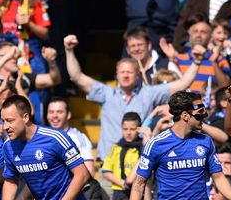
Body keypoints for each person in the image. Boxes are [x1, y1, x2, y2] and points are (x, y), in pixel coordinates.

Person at [64, 34, 200, 161]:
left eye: (129, 72)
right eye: (122, 72)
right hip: (108, 164)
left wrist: (197, 61)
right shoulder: (106, 93)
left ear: (138, 75)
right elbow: (76, 77)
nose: (125, 75)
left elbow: (183, 83)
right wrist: (69, 51)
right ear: (116, 74)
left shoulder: (149, 93)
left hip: (138, 163)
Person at [102, 112, 146, 200]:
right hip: (119, 190)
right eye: (125, 129)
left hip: (139, 190)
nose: (128, 132)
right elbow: (106, 171)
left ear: (139, 129)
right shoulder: (115, 147)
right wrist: (123, 183)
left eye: (132, 129)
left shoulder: (144, 147)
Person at [46, 97, 94, 174]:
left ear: (68, 115)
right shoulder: (39, 137)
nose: (55, 115)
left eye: (59, 112)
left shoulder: (79, 138)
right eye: (51, 112)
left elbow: (89, 172)